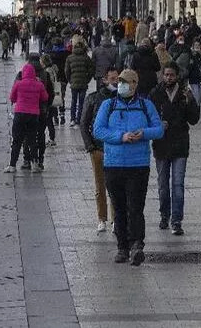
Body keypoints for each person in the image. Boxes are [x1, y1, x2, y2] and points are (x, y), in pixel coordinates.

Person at [93, 69, 164, 266]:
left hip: (138, 164)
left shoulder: (145, 105)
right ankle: (122, 247)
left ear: (135, 84)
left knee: (136, 207)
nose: (122, 85)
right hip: (114, 164)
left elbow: (158, 130)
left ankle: (137, 245)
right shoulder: (109, 105)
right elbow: (98, 130)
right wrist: (120, 137)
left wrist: (144, 133)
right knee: (119, 207)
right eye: (120, 82)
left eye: (126, 82)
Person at [149, 62, 200, 235]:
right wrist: (157, 124)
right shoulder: (155, 93)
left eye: (172, 75)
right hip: (161, 145)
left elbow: (194, 119)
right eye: (166, 74)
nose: (169, 77)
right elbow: (149, 117)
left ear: (177, 76)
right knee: (163, 184)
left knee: (178, 184)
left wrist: (192, 101)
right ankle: (164, 215)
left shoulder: (185, 94)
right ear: (162, 75)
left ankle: (176, 220)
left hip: (180, 144)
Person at [80, 67, 118, 233]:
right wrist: (90, 146)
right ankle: (102, 218)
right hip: (98, 148)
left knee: (116, 186)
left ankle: (116, 219)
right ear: (104, 80)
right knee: (100, 185)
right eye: (112, 79)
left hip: (116, 148)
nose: (116, 82)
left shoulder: (123, 99)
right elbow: (84, 123)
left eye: (118, 79)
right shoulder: (94, 98)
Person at [4, 63, 49, 173]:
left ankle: (12, 165)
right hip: (33, 115)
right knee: (32, 140)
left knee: (16, 140)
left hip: (19, 114)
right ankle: (34, 164)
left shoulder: (18, 84)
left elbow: (12, 98)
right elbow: (45, 98)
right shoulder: (39, 84)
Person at [64, 41, 94, 127]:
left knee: (73, 101)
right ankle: (79, 119)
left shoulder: (69, 58)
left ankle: (72, 119)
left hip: (74, 83)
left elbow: (67, 71)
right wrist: (87, 79)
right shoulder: (86, 58)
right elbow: (91, 70)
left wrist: (70, 80)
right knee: (81, 102)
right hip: (83, 83)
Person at [40, 54, 59, 147]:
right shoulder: (53, 69)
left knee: (48, 120)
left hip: (49, 97)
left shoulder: (47, 71)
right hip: (53, 96)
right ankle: (51, 138)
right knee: (49, 119)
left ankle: (51, 139)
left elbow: (48, 85)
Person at [50, 38, 70, 125]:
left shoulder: (51, 55)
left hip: (54, 80)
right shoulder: (67, 54)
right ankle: (62, 116)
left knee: (55, 98)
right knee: (61, 98)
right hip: (64, 79)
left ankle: (55, 118)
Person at [187, 40, 201, 107]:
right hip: (193, 78)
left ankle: (198, 108)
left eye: (198, 45)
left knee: (200, 97)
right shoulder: (191, 54)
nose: (197, 46)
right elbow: (189, 65)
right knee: (196, 96)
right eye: (195, 45)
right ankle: (195, 110)